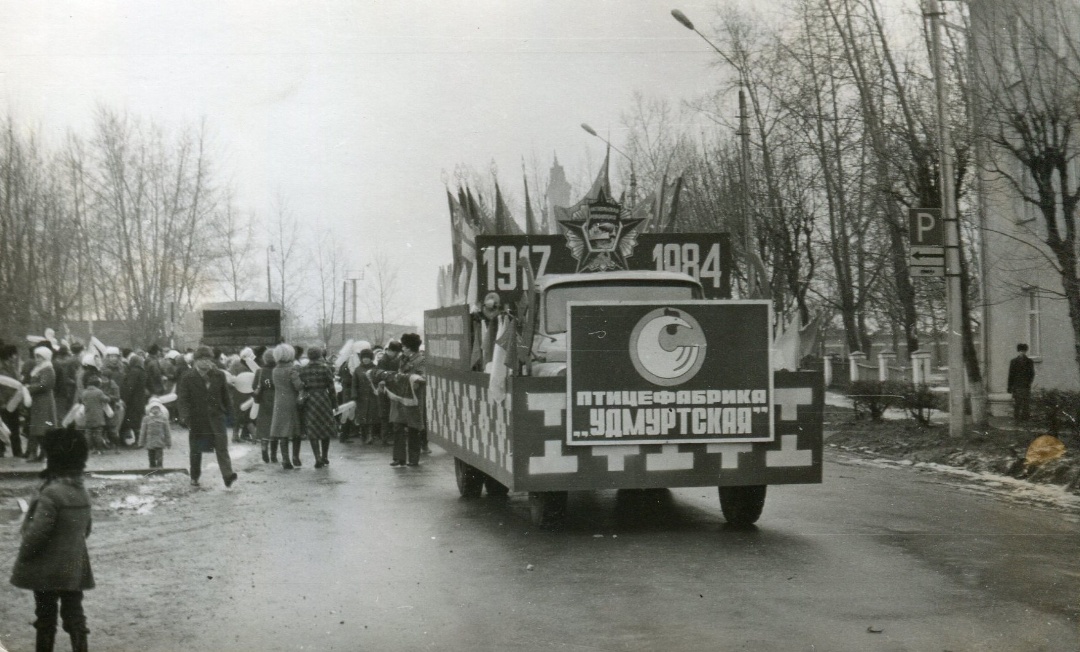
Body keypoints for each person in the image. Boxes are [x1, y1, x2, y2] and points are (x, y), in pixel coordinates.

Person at [9, 426, 94, 652]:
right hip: (74, 567)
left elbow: (38, 533)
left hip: (46, 569)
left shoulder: (51, 493)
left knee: (45, 618)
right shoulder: (82, 492)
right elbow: (86, 529)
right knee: (75, 614)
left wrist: (25, 552)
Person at [176, 346, 238, 488]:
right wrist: (185, 417)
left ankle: (228, 476)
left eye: (208, 359)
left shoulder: (219, 375)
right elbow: (183, 399)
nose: (206, 363)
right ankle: (195, 476)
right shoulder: (187, 377)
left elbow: (226, 397)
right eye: (202, 360)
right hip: (197, 418)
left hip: (217, 417)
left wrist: (232, 415)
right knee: (196, 449)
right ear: (196, 361)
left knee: (222, 447)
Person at [376, 333, 426, 467]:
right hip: (399, 399)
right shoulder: (401, 359)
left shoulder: (421, 360)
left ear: (409, 347)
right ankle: (399, 458)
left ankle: (413, 459)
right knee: (397, 427)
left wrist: (404, 378)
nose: (402, 348)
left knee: (413, 429)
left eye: (404, 346)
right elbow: (395, 374)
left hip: (413, 400)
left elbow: (422, 377)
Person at [298, 346, 338, 468]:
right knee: (325, 427)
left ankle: (317, 457)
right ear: (320, 355)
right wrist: (335, 403)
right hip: (323, 399)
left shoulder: (303, 369)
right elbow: (331, 388)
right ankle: (325, 456)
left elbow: (302, 386)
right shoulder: (325, 368)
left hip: (310, 400)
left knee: (313, 429)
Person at [269, 344, 304, 469]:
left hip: (279, 401)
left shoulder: (275, 370)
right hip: (292, 401)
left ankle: (285, 459)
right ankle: (295, 457)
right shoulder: (292, 369)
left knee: (282, 431)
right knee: (296, 430)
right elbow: (298, 386)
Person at [25, 345, 58, 463]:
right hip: (38, 402)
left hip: (44, 402)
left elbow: (44, 385)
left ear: (46, 358)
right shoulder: (40, 369)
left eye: (40, 357)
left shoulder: (48, 369)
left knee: (41, 429)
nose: (37, 359)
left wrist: (29, 388)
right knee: (38, 428)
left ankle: (40, 454)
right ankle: (41, 454)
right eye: (37, 357)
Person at [253, 349, 278, 463]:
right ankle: (273, 454)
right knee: (276, 426)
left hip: (264, 399)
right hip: (277, 398)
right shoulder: (278, 370)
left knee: (264, 426)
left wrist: (266, 385)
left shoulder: (260, 371)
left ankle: (264, 451)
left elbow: (255, 385)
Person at [0, 343, 25, 458]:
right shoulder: (1, 367)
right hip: (3, 403)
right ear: (9, 355)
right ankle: (1, 450)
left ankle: (17, 451)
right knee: (3, 428)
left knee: (14, 428)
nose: (16, 356)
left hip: (13, 402)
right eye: (14, 354)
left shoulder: (11, 366)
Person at [352, 349, 381, 444]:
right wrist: (354, 395)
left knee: (372, 416)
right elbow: (354, 384)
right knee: (362, 417)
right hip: (361, 397)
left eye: (367, 358)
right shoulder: (357, 370)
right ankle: (364, 435)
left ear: (371, 358)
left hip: (373, 395)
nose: (365, 360)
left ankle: (370, 435)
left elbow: (378, 381)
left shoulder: (376, 368)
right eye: (364, 358)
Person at [375, 340, 401, 446]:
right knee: (386, 414)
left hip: (390, 390)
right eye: (396, 352)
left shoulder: (390, 359)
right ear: (391, 351)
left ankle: (387, 437)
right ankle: (385, 438)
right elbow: (379, 375)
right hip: (386, 390)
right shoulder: (383, 361)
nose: (397, 355)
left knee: (389, 413)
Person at [121, 354, 149, 447]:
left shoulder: (134, 371)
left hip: (133, 400)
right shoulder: (143, 371)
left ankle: (138, 442)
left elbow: (130, 387)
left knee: (133, 421)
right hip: (140, 399)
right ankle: (140, 441)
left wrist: (124, 398)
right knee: (138, 420)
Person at [78, 376, 112, 454]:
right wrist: (108, 397)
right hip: (98, 417)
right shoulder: (99, 392)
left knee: (88, 434)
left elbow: (82, 401)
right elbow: (107, 399)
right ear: (97, 384)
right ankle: (100, 449)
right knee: (98, 434)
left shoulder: (84, 392)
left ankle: (89, 449)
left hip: (88, 416)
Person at [1007, 343, 1036, 423]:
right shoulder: (1013, 361)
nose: (1022, 352)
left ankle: (1025, 419)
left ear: (1025, 351)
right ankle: (1016, 419)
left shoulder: (1029, 361)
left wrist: (1028, 382)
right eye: (1020, 351)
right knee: (1017, 403)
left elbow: (1032, 374)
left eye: (1023, 351)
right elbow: (1011, 375)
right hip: (1016, 385)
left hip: (1025, 385)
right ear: (1018, 351)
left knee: (1026, 403)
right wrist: (1009, 387)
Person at [139, 399, 171, 469]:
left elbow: (167, 431)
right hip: (150, 443)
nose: (155, 410)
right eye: (153, 408)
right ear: (150, 409)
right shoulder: (146, 419)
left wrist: (168, 442)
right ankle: (152, 470)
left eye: (157, 408)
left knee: (160, 458)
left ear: (160, 409)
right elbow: (143, 431)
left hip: (160, 442)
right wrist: (141, 442)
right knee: (151, 458)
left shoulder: (164, 418)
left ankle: (160, 469)